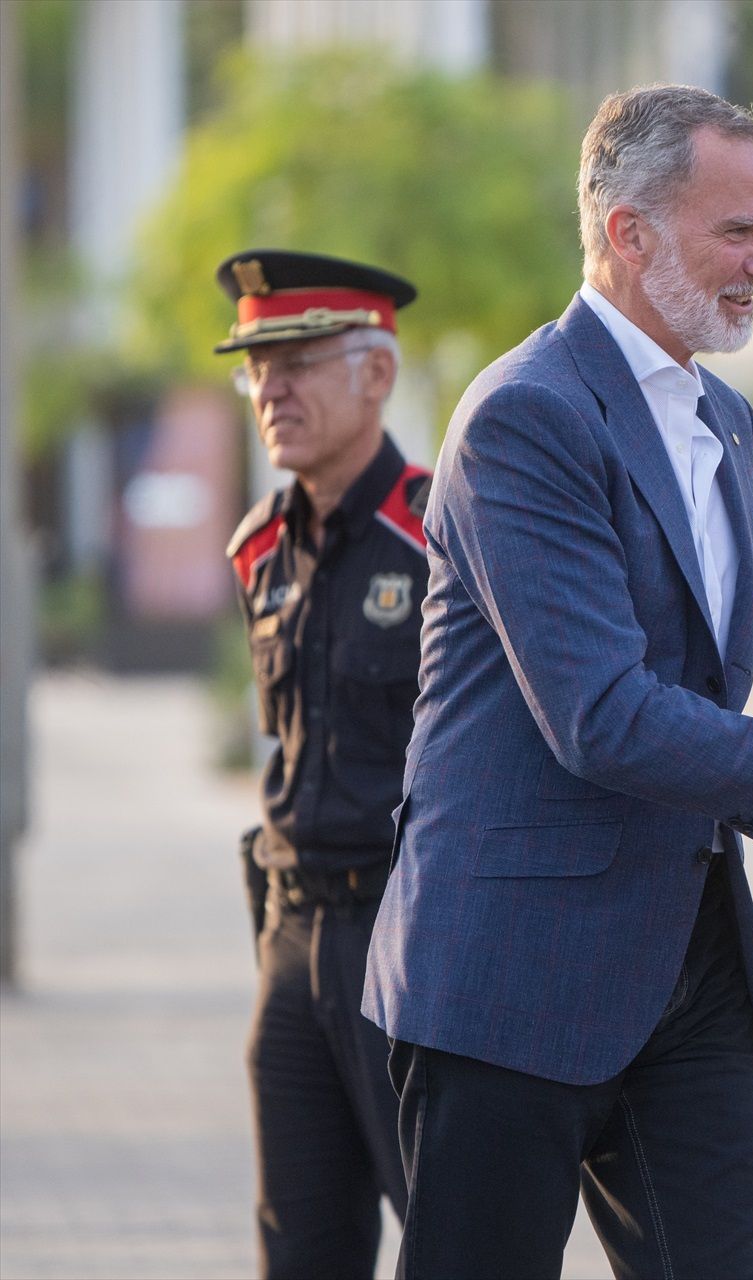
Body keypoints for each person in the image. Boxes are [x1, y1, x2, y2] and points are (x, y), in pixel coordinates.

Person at [359, 85, 753, 1279]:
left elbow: (697, 694)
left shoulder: (730, 419)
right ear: (629, 232)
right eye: (738, 231)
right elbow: (603, 714)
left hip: (689, 966)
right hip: (512, 972)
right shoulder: (526, 414)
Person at [217, 249, 425, 1277]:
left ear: (376, 373)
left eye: (296, 360)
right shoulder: (259, 548)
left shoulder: (442, 533)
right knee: (298, 1245)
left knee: (454, 1237)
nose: (271, 389)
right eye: (256, 366)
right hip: (292, 936)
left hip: (411, 935)